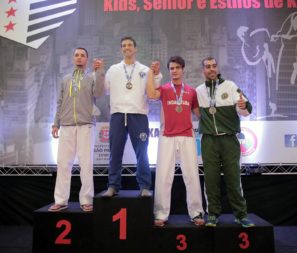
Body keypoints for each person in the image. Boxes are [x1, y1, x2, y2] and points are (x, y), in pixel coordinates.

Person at [196, 56, 255, 227]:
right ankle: (213, 215)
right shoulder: (199, 90)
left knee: (234, 179)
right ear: (203, 70)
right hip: (208, 141)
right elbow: (195, 111)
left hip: (229, 139)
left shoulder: (230, 86)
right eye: (208, 67)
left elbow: (247, 109)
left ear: (217, 68)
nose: (212, 69)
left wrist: (242, 106)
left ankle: (241, 215)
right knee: (211, 180)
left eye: (214, 66)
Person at [147, 56, 205, 227]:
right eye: (171, 68)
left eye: (177, 67)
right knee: (163, 177)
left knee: (192, 176)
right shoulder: (164, 89)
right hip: (167, 136)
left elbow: (199, 114)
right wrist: (151, 72)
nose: (174, 71)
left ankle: (196, 213)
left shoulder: (191, 91)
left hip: (187, 136)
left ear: (183, 69)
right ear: (169, 71)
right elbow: (151, 94)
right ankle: (160, 214)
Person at [102, 36, 162, 197]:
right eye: (124, 45)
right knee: (115, 152)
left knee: (142, 152)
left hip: (138, 115)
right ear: (121, 49)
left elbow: (153, 91)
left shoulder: (144, 70)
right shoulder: (113, 70)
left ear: (135, 49)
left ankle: (144, 187)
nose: (127, 47)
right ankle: (113, 186)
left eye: (129, 45)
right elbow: (104, 90)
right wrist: (98, 74)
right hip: (118, 115)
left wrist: (156, 75)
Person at [48, 47, 104, 212]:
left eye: (83, 56)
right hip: (66, 126)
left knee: (86, 164)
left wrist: (100, 72)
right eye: (76, 55)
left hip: (86, 125)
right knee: (63, 164)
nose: (79, 58)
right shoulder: (65, 79)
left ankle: (87, 200)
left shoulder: (91, 78)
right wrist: (55, 123)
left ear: (87, 59)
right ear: (73, 58)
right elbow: (59, 102)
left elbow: (100, 94)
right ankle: (61, 200)